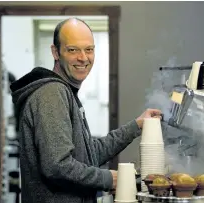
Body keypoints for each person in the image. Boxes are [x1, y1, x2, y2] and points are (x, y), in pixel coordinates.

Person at [10, 18, 162, 203]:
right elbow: (57, 166)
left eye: (89, 49)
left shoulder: (65, 91)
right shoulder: (52, 94)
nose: (83, 58)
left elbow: (89, 154)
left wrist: (136, 126)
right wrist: (108, 179)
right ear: (55, 52)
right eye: (72, 50)